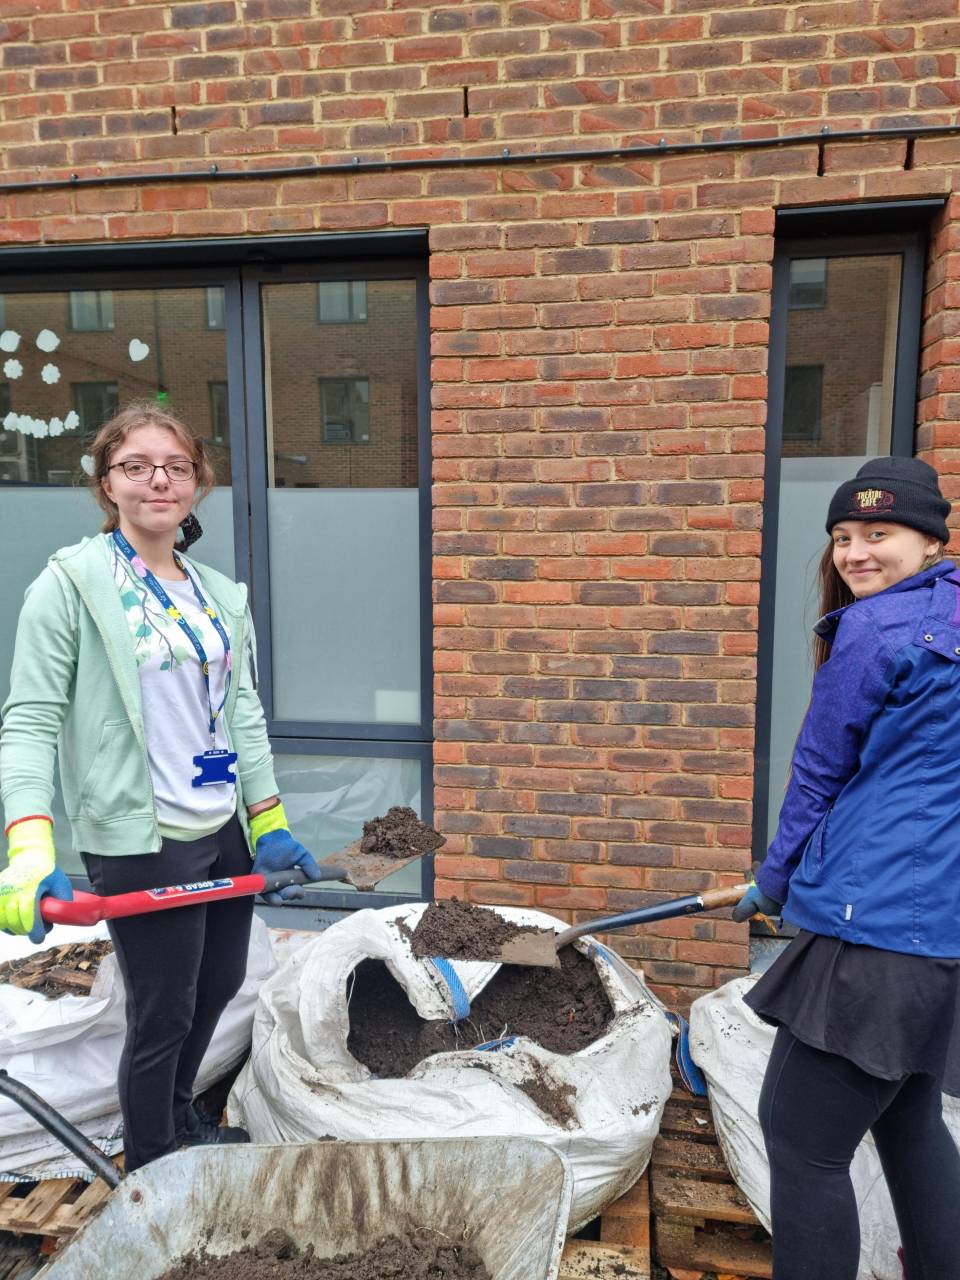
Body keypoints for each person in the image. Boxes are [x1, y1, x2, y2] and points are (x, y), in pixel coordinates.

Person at [0, 402, 321, 1173]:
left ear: (198, 482)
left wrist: (268, 818)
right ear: (107, 482)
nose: (158, 481)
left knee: (217, 986)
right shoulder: (71, 586)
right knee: (162, 1011)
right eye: (136, 465)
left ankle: (178, 1117)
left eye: (176, 466)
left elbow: (240, 713)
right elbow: (29, 721)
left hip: (219, 827)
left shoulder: (216, 593)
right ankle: (150, 1166)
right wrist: (28, 842)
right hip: (141, 837)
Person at [733, 455, 960, 1280]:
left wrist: (774, 880)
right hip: (941, 934)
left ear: (931, 539)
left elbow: (820, 771)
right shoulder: (954, 615)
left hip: (878, 927)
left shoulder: (876, 630)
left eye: (879, 533)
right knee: (907, 1122)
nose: (856, 553)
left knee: (799, 1138)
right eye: (842, 537)